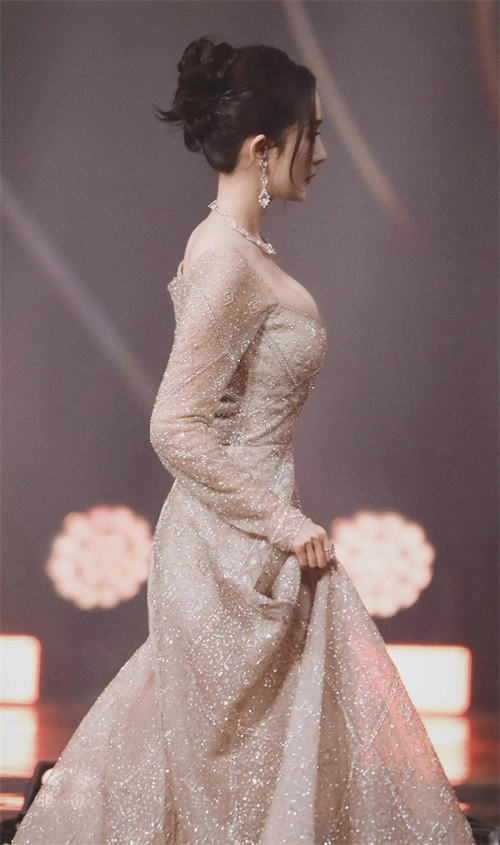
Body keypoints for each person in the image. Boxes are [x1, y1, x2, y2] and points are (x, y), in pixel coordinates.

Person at [13, 36, 475, 845]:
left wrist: (280, 527)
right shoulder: (225, 258)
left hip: (254, 541)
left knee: (265, 779)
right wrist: (283, 522)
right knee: (230, 788)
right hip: (229, 552)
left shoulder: (238, 249)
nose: (322, 154)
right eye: (311, 134)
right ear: (263, 149)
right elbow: (174, 423)